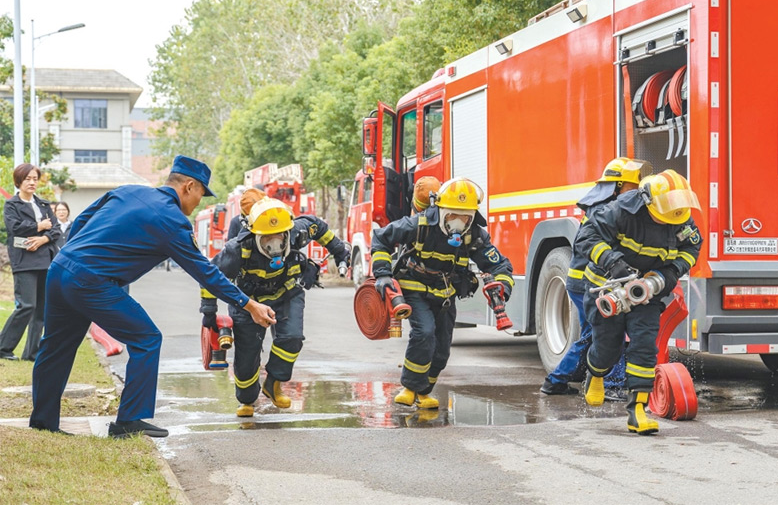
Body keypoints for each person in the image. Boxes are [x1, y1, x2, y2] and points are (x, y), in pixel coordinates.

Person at [29, 155, 277, 438]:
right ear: (189, 186)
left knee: (55, 347)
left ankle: (43, 422)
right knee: (147, 338)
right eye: (201, 194)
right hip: (91, 282)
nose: (200, 202)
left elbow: (82, 220)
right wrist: (249, 304)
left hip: (60, 269)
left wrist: (76, 256)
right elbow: (206, 272)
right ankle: (129, 420)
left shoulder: (127, 190)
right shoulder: (172, 222)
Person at [576, 169, 703, 435]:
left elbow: (692, 248)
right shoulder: (620, 211)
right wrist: (615, 265)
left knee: (645, 347)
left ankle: (637, 411)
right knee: (608, 348)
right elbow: (587, 238)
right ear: (648, 200)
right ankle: (596, 373)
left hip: (648, 290)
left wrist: (667, 275)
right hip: (606, 288)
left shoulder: (679, 218)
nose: (674, 212)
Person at [200, 197, 350, 417]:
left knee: (292, 338)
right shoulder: (238, 249)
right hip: (248, 302)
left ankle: (273, 383)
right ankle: (247, 399)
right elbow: (210, 277)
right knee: (247, 353)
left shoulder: (297, 231)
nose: (274, 242)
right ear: (255, 234)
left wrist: (338, 250)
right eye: (267, 237)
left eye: (279, 235)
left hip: (286, 293)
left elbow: (318, 227)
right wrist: (209, 312)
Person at [371, 177, 513, 409]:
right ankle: (409, 387)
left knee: (442, 349)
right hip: (415, 287)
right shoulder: (419, 224)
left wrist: (502, 287)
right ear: (441, 210)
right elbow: (381, 239)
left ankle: (424, 391)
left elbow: (500, 265)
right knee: (424, 333)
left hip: (445, 294)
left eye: (465, 217)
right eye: (452, 216)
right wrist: (383, 273)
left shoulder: (474, 234)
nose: (458, 223)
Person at [541, 158, 651, 400]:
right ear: (618, 186)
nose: (638, 193)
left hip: (585, 284)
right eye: (634, 187)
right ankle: (609, 383)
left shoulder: (603, 205)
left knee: (595, 333)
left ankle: (557, 381)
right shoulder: (605, 210)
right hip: (587, 286)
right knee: (601, 333)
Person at [0, 164, 60, 362]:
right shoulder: (12, 205)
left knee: (41, 309)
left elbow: (56, 229)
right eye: (28, 179)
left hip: (45, 260)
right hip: (24, 261)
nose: (32, 182)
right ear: (19, 181)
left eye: (35, 178)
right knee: (26, 306)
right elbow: (14, 227)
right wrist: (38, 226)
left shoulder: (43, 205)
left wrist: (43, 238)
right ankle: (3, 347)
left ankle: (32, 353)